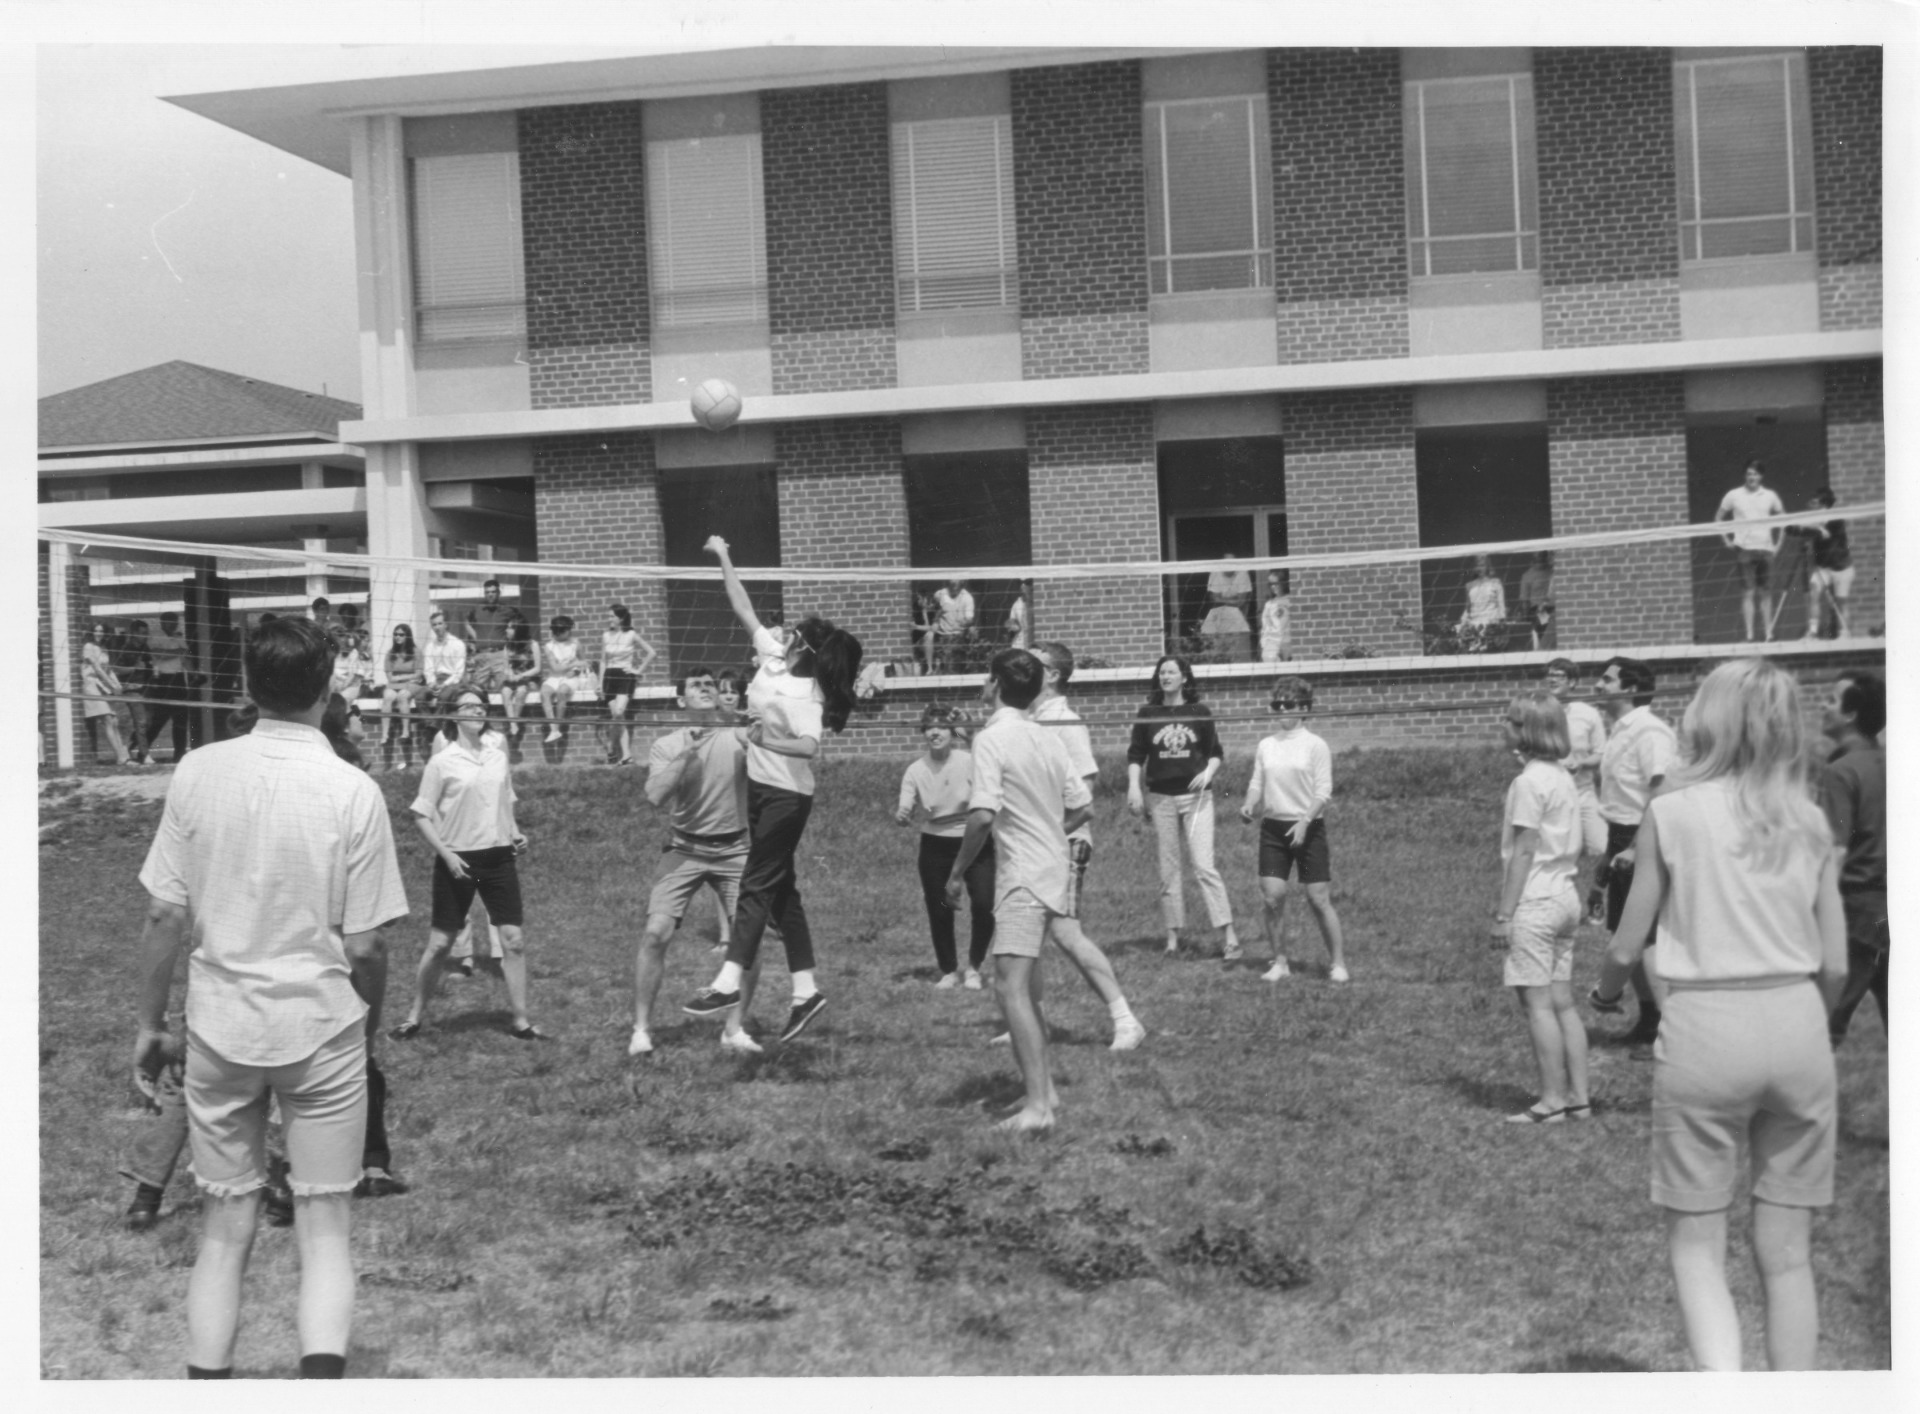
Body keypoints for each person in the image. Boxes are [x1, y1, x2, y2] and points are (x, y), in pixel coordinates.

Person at [133, 616, 407, 1378]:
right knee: (326, 1229)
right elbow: (367, 946)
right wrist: (366, 1032)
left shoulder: (197, 771)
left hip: (220, 1025)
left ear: (249, 686)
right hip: (320, 1026)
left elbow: (162, 913)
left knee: (224, 1230)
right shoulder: (353, 789)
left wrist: (149, 1024)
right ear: (327, 689)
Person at [1589, 658, 1846, 1371]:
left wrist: (1605, 995)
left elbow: (1627, 943)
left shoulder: (1672, 813)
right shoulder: (1809, 819)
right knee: (1788, 1254)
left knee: (1697, 1245)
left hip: (1706, 1024)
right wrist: (1813, 1025)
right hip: (1797, 1019)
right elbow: (1835, 965)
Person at [682, 535, 863, 1043]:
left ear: (803, 646)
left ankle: (727, 981)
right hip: (761, 790)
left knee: (756, 883)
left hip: (788, 797)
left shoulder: (808, 694)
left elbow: (808, 747)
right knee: (782, 892)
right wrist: (723, 555)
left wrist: (765, 738)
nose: (783, 632)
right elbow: (741, 605)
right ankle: (806, 992)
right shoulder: (773, 657)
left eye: (793, 632)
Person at [945, 649, 1101, 1131]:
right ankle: (1045, 1093)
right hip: (1051, 870)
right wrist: (1049, 832)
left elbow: (981, 815)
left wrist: (956, 872)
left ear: (995, 684)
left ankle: (1037, 1109)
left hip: (1025, 878)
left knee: (1009, 987)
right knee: (1026, 990)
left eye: (986, 678)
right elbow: (1084, 806)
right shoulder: (1046, 736)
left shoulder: (991, 738)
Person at [389, 686, 542, 1041]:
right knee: (440, 943)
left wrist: (515, 832)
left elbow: (505, 802)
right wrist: (447, 855)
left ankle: (521, 1021)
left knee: (513, 940)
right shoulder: (442, 762)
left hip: (498, 857)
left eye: (481, 705)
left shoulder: (497, 757)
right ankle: (413, 1016)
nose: (477, 711)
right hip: (456, 858)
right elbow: (421, 815)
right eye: (468, 706)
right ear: (453, 714)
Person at [629, 667, 766, 1057]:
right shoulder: (667, 744)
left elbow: (776, 760)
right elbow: (655, 796)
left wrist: (761, 731)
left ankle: (733, 1029)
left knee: (750, 940)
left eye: (710, 685)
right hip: (684, 849)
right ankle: (641, 1030)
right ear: (681, 699)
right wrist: (688, 752)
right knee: (655, 934)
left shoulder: (738, 735)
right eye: (696, 685)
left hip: (735, 849)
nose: (706, 689)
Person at [1028, 641, 1145, 1047]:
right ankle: (1031, 1021)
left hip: (1065, 840)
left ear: (1052, 674)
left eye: (1033, 663)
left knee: (1066, 933)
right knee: (1025, 936)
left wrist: (1051, 833)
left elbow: (1086, 791)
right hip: (1033, 844)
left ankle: (1126, 1020)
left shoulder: (1066, 722)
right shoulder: (1030, 718)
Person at [1490, 689, 1588, 1123]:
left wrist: (1504, 915)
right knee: (1562, 1002)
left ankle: (1551, 1101)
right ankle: (1579, 1097)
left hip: (1536, 900)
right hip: (1566, 895)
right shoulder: (1562, 775)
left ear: (1526, 731)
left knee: (1538, 1006)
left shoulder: (1528, 782)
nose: (1503, 726)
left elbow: (1525, 850)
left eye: (1510, 720)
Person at [1127, 655, 1241, 958]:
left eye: (1171, 672)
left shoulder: (1199, 712)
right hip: (1161, 798)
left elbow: (1215, 752)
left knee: (1204, 866)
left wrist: (1208, 773)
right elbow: (1136, 755)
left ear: (1184, 677)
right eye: (1162, 672)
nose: (1166, 676)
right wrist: (1134, 786)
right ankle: (1173, 940)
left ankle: (1229, 937)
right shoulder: (1148, 713)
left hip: (1196, 799)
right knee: (1169, 870)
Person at [1239, 675, 1349, 983]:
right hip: (1274, 830)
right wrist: (1249, 804)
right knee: (1272, 897)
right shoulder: (1266, 745)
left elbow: (1323, 791)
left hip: (1309, 828)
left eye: (1287, 705)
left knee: (1318, 898)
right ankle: (1280, 961)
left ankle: (1338, 963)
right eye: (1277, 705)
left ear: (1303, 708)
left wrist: (1304, 822)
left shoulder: (1316, 745)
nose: (1281, 711)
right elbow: (1257, 783)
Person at [1595, 656, 1677, 1043]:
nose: (1598, 686)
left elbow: (1661, 792)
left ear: (1629, 689)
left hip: (1642, 835)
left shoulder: (1650, 731)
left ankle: (1670, 1028)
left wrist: (1632, 848)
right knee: (1626, 931)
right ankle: (1650, 1019)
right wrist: (1609, 853)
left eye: (1607, 680)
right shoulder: (1620, 729)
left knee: (1644, 937)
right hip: (1621, 834)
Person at [896, 704, 994, 990]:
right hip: (935, 843)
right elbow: (905, 805)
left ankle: (974, 967)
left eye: (941, 727)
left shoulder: (969, 761)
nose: (935, 733)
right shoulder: (915, 770)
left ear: (952, 733)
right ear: (923, 733)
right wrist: (903, 814)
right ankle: (949, 969)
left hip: (973, 839)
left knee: (984, 903)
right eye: (929, 728)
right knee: (939, 907)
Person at [1819, 672, 1886, 1046]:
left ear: (1851, 714)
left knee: (1822, 1022)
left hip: (1859, 913)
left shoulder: (1841, 772)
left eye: (1831, 699)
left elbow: (1835, 850)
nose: (1823, 705)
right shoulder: (1893, 763)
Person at [1540, 659, 1608, 921]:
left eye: (1559, 675)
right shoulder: (1539, 711)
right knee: (1557, 854)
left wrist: (1580, 764)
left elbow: (1600, 754)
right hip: (1554, 794)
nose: (1553, 679)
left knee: (1602, 848)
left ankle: (1596, 897)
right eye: (1550, 675)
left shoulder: (1588, 714)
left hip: (1584, 792)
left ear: (1573, 682)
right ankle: (1558, 907)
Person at [1716, 460, 1786, 643]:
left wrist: (1778, 544)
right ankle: (1749, 635)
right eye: (1749, 474)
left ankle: (1768, 634)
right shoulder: (1734, 495)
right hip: (1745, 550)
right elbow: (1718, 518)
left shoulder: (1770, 495)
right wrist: (1726, 540)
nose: (1751, 477)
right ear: (1744, 475)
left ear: (1761, 476)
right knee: (1748, 593)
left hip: (1766, 550)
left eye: (1755, 474)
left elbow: (1784, 519)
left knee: (1766, 593)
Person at [597, 602, 656, 767]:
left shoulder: (631, 635)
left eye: (612, 616)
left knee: (618, 712)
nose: (609, 619)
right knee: (618, 716)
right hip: (609, 677)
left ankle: (611, 746)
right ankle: (626, 756)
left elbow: (651, 652)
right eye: (608, 616)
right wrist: (600, 684)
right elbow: (603, 661)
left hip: (625, 677)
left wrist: (638, 671)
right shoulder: (606, 636)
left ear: (621, 618)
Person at [1801, 488, 1854, 640]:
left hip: (1841, 567)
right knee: (1814, 594)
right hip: (1823, 567)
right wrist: (1812, 528)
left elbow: (1825, 533)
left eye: (1815, 502)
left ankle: (1844, 634)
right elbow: (1799, 528)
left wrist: (1815, 528)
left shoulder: (1836, 519)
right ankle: (1812, 633)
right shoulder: (1813, 519)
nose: (1811, 505)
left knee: (1841, 601)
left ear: (1824, 504)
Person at [81, 621, 137, 767]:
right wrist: (111, 684)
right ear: (91, 632)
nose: (99, 633)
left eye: (101, 631)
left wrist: (117, 684)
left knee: (114, 721)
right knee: (108, 719)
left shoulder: (103, 648)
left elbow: (108, 669)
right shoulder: (88, 647)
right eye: (96, 630)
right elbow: (97, 669)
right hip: (92, 686)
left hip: (103, 686)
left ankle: (122, 756)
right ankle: (121, 757)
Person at [143, 611, 196, 764]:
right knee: (158, 720)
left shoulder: (179, 638)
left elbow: (185, 658)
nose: (173, 625)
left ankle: (179, 755)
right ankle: (141, 750)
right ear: (162, 623)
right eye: (169, 622)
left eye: (175, 622)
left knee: (181, 719)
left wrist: (194, 674)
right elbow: (159, 654)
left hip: (178, 679)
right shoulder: (155, 637)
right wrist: (178, 651)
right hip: (162, 679)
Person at [464, 579, 516, 707]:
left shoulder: (507, 610)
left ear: (499, 593)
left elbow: (514, 626)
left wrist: (508, 637)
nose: (490, 595)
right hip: (482, 656)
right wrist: (477, 638)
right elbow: (466, 622)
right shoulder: (477, 609)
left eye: (493, 592)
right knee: (477, 691)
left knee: (504, 690)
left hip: (499, 655)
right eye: (487, 592)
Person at [538, 614, 587, 745]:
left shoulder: (575, 643)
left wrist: (576, 671)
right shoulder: (549, 646)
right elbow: (555, 668)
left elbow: (584, 662)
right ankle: (553, 729)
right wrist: (573, 664)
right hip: (555, 676)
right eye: (567, 630)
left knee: (562, 691)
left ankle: (556, 728)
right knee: (544, 692)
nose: (569, 632)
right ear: (558, 631)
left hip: (571, 678)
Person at [380, 623, 424, 756]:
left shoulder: (416, 652)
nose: (397, 637)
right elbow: (389, 677)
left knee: (402, 697)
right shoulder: (390, 653)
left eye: (401, 634)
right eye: (395, 634)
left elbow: (418, 674)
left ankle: (406, 731)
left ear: (407, 636)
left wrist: (400, 677)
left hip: (412, 685)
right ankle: (385, 733)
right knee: (387, 697)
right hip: (395, 684)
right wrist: (405, 677)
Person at [501, 610, 541, 741]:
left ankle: (514, 722)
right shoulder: (507, 646)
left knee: (521, 691)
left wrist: (521, 675)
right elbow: (506, 668)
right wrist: (510, 674)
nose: (506, 630)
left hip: (528, 679)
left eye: (510, 628)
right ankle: (513, 724)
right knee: (505, 692)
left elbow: (537, 668)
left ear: (519, 630)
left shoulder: (533, 645)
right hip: (513, 678)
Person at [421, 608, 469, 713]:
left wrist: (444, 684)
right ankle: (428, 721)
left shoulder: (458, 644)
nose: (437, 627)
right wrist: (432, 682)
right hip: (435, 680)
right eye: (434, 625)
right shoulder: (429, 646)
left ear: (446, 624)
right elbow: (428, 669)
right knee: (420, 696)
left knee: (443, 697)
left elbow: (458, 673)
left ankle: (436, 722)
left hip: (453, 682)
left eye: (440, 623)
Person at [931, 578, 976, 671]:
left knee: (953, 666)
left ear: (962, 582)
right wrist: (935, 621)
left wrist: (964, 622)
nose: (954, 582)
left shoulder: (967, 598)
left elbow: (969, 619)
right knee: (942, 666)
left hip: (958, 637)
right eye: (952, 580)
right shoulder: (940, 594)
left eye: (957, 580)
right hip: (941, 636)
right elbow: (936, 609)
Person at [1458, 555, 1507, 635]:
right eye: (1477, 565)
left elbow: (1501, 606)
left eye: (1482, 565)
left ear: (1487, 566)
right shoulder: (1469, 585)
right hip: (1474, 625)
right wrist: (1463, 621)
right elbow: (1468, 608)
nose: (1479, 568)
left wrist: (1501, 621)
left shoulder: (1496, 583)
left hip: (1491, 624)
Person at [331, 628, 373, 704]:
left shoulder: (355, 654)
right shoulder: (336, 655)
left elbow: (354, 676)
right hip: (339, 685)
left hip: (352, 686)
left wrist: (342, 686)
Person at [1258, 570, 1291, 663]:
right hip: (1273, 643)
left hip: (1288, 642)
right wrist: (1265, 643)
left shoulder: (1291, 601)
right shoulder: (1269, 604)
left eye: (1276, 584)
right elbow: (1265, 626)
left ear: (1283, 583)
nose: (1273, 587)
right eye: (1271, 584)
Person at [1519, 552, 1554, 621]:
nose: (1540, 557)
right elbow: (1525, 600)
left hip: (1555, 608)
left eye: (1542, 555)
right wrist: (1526, 617)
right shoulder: (1527, 576)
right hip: (1539, 611)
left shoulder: (1553, 572)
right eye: (1538, 555)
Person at [1006, 581, 1031, 651]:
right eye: (1021, 584)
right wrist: (1012, 626)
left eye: (1026, 584)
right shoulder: (1016, 605)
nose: (1023, 586)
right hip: (1019, 642)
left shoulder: (1034, 603)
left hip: (1032, 641)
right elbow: (1012, 623)